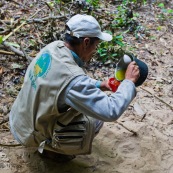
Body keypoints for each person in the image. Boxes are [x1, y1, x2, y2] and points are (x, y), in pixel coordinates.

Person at [9, 14, 144, 162]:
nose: (95, 50)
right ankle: (52, 151)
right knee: (95, 120)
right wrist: (129, 82)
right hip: (29, 134)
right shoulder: (72, 78)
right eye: (96, 45)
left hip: (19, 120)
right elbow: (110, 111)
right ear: (86, 42)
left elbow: (63, 82)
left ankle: (46, 141)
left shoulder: (53, 48)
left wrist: (100, 85)